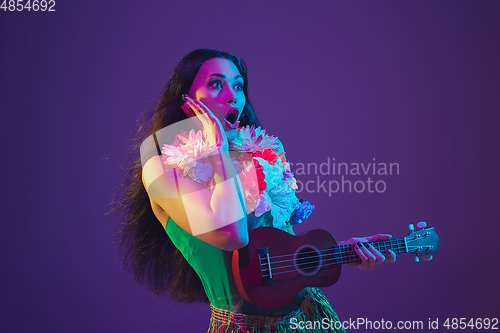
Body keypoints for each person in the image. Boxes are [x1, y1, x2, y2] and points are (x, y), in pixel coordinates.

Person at [117, 48, 396, 332]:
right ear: (187, 100)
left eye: (238, 85)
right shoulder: (163, 168)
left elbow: (279, 250)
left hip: (309, 319)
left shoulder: (261, 152)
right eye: (216, 84)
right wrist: (217, 151)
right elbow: (233, 235)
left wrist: (339, 253)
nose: (232, 95)